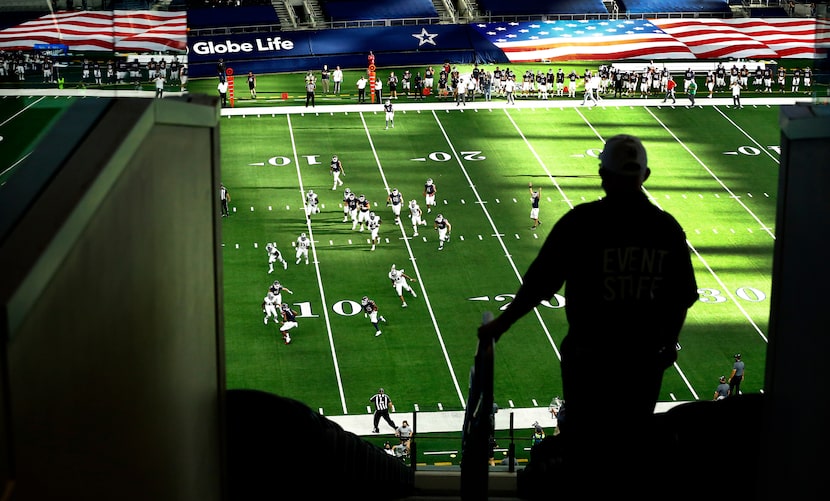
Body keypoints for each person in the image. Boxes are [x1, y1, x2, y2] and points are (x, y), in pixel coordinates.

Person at [477, 134, 699, 492]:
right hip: (641, 364)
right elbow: (683, 296)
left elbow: (540, 283)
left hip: (589, 361)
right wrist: (667, 345)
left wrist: (502, 324)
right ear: (646, 175)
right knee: (630, 450)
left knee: (585, 452)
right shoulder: (666, 228)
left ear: (602, 175)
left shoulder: (582, 222)